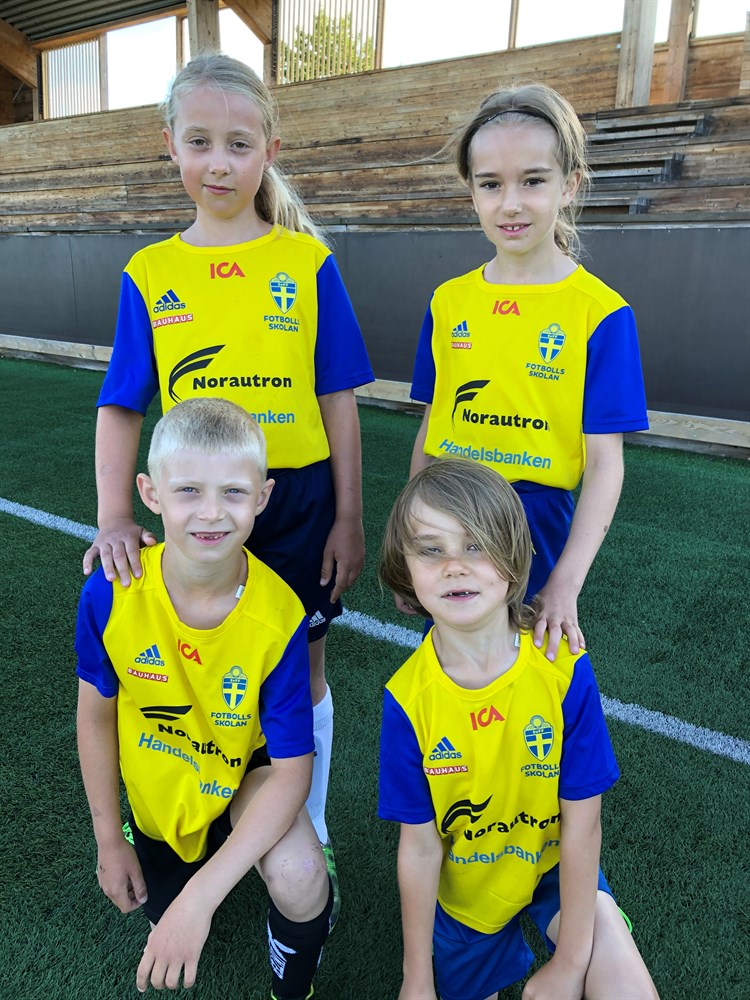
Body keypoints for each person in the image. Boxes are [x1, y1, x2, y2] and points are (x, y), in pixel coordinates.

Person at [81, 53, 374, 893]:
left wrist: (348, 516)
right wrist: (113, 514)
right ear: (169, 144)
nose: (219, 162)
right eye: (200, 141)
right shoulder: (151, 272)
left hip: (296, 501)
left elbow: (338, 399)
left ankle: (307, 823)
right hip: (199, 508)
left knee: (303, 668)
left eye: (239, 145)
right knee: (198, 662)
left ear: (269, 151)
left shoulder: (306, 264)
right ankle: (208, 805)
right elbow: (121, 404)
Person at [76, 398, 333, 998]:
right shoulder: (111, 594)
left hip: (245, 773)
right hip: (163, 788)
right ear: (150, 493)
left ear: (263, 498)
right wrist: (109, 841)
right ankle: (169, 850)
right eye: (188, 490)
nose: (212, 513)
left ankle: (293, 987)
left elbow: (293, 770)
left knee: (299, 874)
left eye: (234, 493)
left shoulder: (280, 615)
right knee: (159, 914)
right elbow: (95, 720)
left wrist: (202, 899)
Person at [378, 460, 659, 1000]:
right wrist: (416, 979)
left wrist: (570, 964)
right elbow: (419, 847)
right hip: (468, 891)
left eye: (476, 545)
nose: (454, 567)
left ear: (516, 555)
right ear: (404, 568)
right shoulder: (407, 700)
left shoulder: (563, 667)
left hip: (555, 866)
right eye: (431, 549)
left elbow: (583, 825)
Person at [407, 84, 648, 661]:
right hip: (450, 514)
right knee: (454, 673)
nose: (510, 203)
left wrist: (566, 582)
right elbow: (432, 426)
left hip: (535, 524)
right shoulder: (448, 301)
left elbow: (605, 463)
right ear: (471, 190)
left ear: (570, 184)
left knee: (533, 680)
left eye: (533, 180)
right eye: (491, 184)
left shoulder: (601, 312)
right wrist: (416, 534)